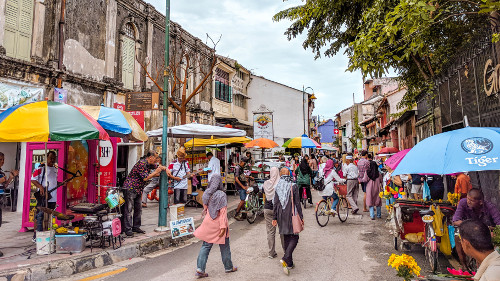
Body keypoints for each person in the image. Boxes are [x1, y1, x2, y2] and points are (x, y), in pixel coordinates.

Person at [194, 174, 237, 278]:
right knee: (225, 246)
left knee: (205, 246)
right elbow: (223, 213)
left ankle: (200, 269)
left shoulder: (206, 193)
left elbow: (206, 208)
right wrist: (223, 227)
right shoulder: (221, 195)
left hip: (208, 222)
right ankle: (228, 267)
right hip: (219, 224)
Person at [453, 188, 500, 269]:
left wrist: (493, 232)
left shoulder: (490, 207)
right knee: (457, 236)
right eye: (468, 198)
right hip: (469, 228)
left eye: (471, 200)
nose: (468, 201)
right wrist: (471, 226)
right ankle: (464, 265)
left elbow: (499, 224)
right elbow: (455, 220)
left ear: (480, 202)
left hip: (486, 230)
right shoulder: (463, 203)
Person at [123, 151, 167, 236]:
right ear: (150, 157)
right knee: (128, 209)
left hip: (138, 189)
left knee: (138, 209)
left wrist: (165, 169)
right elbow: (145, 178)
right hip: (130, 188)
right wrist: (155, 172)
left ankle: (136, 227)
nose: (156, 160)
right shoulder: (142, 164)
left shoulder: (148, 164)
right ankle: (127, 229)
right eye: (156, 158)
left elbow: (158, 167)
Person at [272, 168, 303, 275]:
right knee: (295, 236)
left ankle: (289, 263)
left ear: (281, 175)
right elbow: (297, 203)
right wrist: (301, 216)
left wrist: (274, 217)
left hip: (281, 215)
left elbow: (275, 203)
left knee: (285, 236)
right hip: (291, 214)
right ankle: (286, 258)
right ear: (289, 174)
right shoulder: (293, 185)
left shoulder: (277, 186)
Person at [31, 151, 61, 241]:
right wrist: (40, 187)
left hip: (53, 197)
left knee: (49, 216)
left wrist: (62, 183)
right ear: (46, 158)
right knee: (39, 216)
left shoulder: (56, 169)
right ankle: (36, 235)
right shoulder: (41, 168)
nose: (52, 160)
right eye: (51, 158)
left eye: (54, 158)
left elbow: (54, 182)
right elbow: (33, 179)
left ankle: (46, 234)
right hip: (43, 196)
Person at [0, 152, 18, 255]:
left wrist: (11, 177)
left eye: (3, 159)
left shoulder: (2, 173)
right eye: (0, 159)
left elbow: (5, 186)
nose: (2, 161)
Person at [263, 167, 283, 259]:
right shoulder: (280, 183)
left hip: (267, 208)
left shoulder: (266, 183)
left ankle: (271, 252)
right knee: (282, 230)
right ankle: (286, 251)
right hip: (279, 209)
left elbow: (264, 197)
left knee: (270, 232)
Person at [366, 153, 382, 220]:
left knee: (370, 200)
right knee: (378, 200)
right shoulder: (378, 173)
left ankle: (372, 215)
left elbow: (365, 179)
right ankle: (378, 215)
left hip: (370, 188)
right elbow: (381, 180)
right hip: (377, 188)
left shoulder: (368, 173)